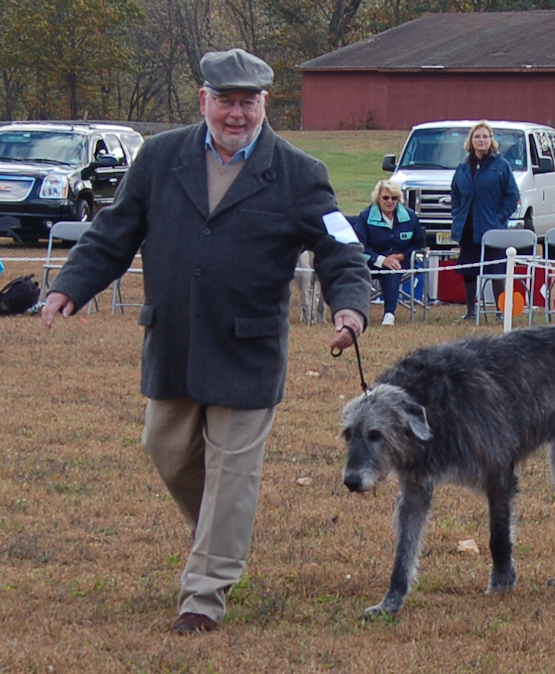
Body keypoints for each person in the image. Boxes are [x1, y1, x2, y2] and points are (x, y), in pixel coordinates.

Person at [40, 48, 372, 635]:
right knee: (165, 449)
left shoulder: (300, 173)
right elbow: (115, 231)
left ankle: (204, 595)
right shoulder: (160, 156)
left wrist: (350, 308)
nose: (236, 113)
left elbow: (340, 249)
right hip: (172, 340)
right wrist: (71, 285)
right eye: (225, 101)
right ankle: (221, 535)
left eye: (248, 102)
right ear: (204, 101)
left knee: (232, 474)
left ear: (264, 103)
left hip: (248, 349)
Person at [450, 121, 520, 321]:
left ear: (491, 140)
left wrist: (498, 220)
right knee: (469, 269)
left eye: (485, 137)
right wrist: (458, 213)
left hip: (492, 228)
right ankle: (471, 311)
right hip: (467, 228)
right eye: (477, 137)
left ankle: (501, 311)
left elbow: (512, 196)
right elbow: (455, 193)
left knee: (496, 269)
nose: (481, 140)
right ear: (471, 141)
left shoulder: (501, 165)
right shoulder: (463, 166)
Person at [354, 180, 425, 326]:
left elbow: (418, 245)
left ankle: (389, 314)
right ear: (378, 199)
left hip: (402, 262)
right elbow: (359, 246)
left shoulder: (410, 217)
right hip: (371, 262)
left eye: (394, 198)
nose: (390, 201)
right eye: (386, 198)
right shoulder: (366, 216)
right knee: (388, 266)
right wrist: (381, 260)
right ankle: (356, 311)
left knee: (392, 268)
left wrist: (401, 256)